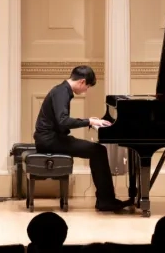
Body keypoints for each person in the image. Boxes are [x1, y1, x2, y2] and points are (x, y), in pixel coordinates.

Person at [33, 65, 128, 212]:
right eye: (88, 86)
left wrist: (89, 120)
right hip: (49, 141)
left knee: (97, 150)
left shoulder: (61, 90)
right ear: (82, 82)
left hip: (50, 138)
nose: (86, 90)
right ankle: (106, 200)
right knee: (98, 151)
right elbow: (63, 121)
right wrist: (89, 121)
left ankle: (105, 199)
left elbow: (61, 121)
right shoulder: (62, 92)